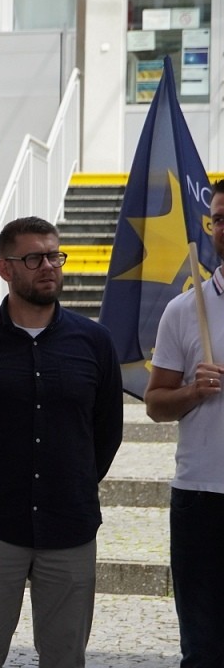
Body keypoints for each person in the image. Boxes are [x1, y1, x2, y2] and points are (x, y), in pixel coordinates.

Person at [0, 216, 123, 668]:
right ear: (5, 268)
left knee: (66, 657)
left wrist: (72, 485)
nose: (48, 266)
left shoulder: (94, 342)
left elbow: (106, 433)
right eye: (34, 257)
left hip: (69, 526)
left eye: (55, 255)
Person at [145, 179, 224, 668]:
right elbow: (155, 403)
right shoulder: (184, 310)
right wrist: (194, 392)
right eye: (221, 218)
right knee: (204, 644)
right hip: (202, 497)